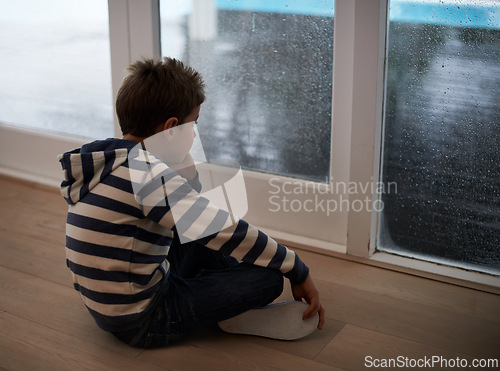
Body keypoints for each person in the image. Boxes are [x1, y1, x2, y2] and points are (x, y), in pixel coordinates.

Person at [58, 57, 325, 348]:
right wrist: (297, 268)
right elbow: (224, 229)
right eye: (193, 125)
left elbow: (192, 214)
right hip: (144, 320)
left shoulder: (111, 161)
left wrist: (184, 170)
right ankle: (230, 307)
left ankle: (218, 293)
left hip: (110, 307)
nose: (195, 134)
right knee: (269, 278)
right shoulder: (147, 176)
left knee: (194, 232)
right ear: (171, 128)